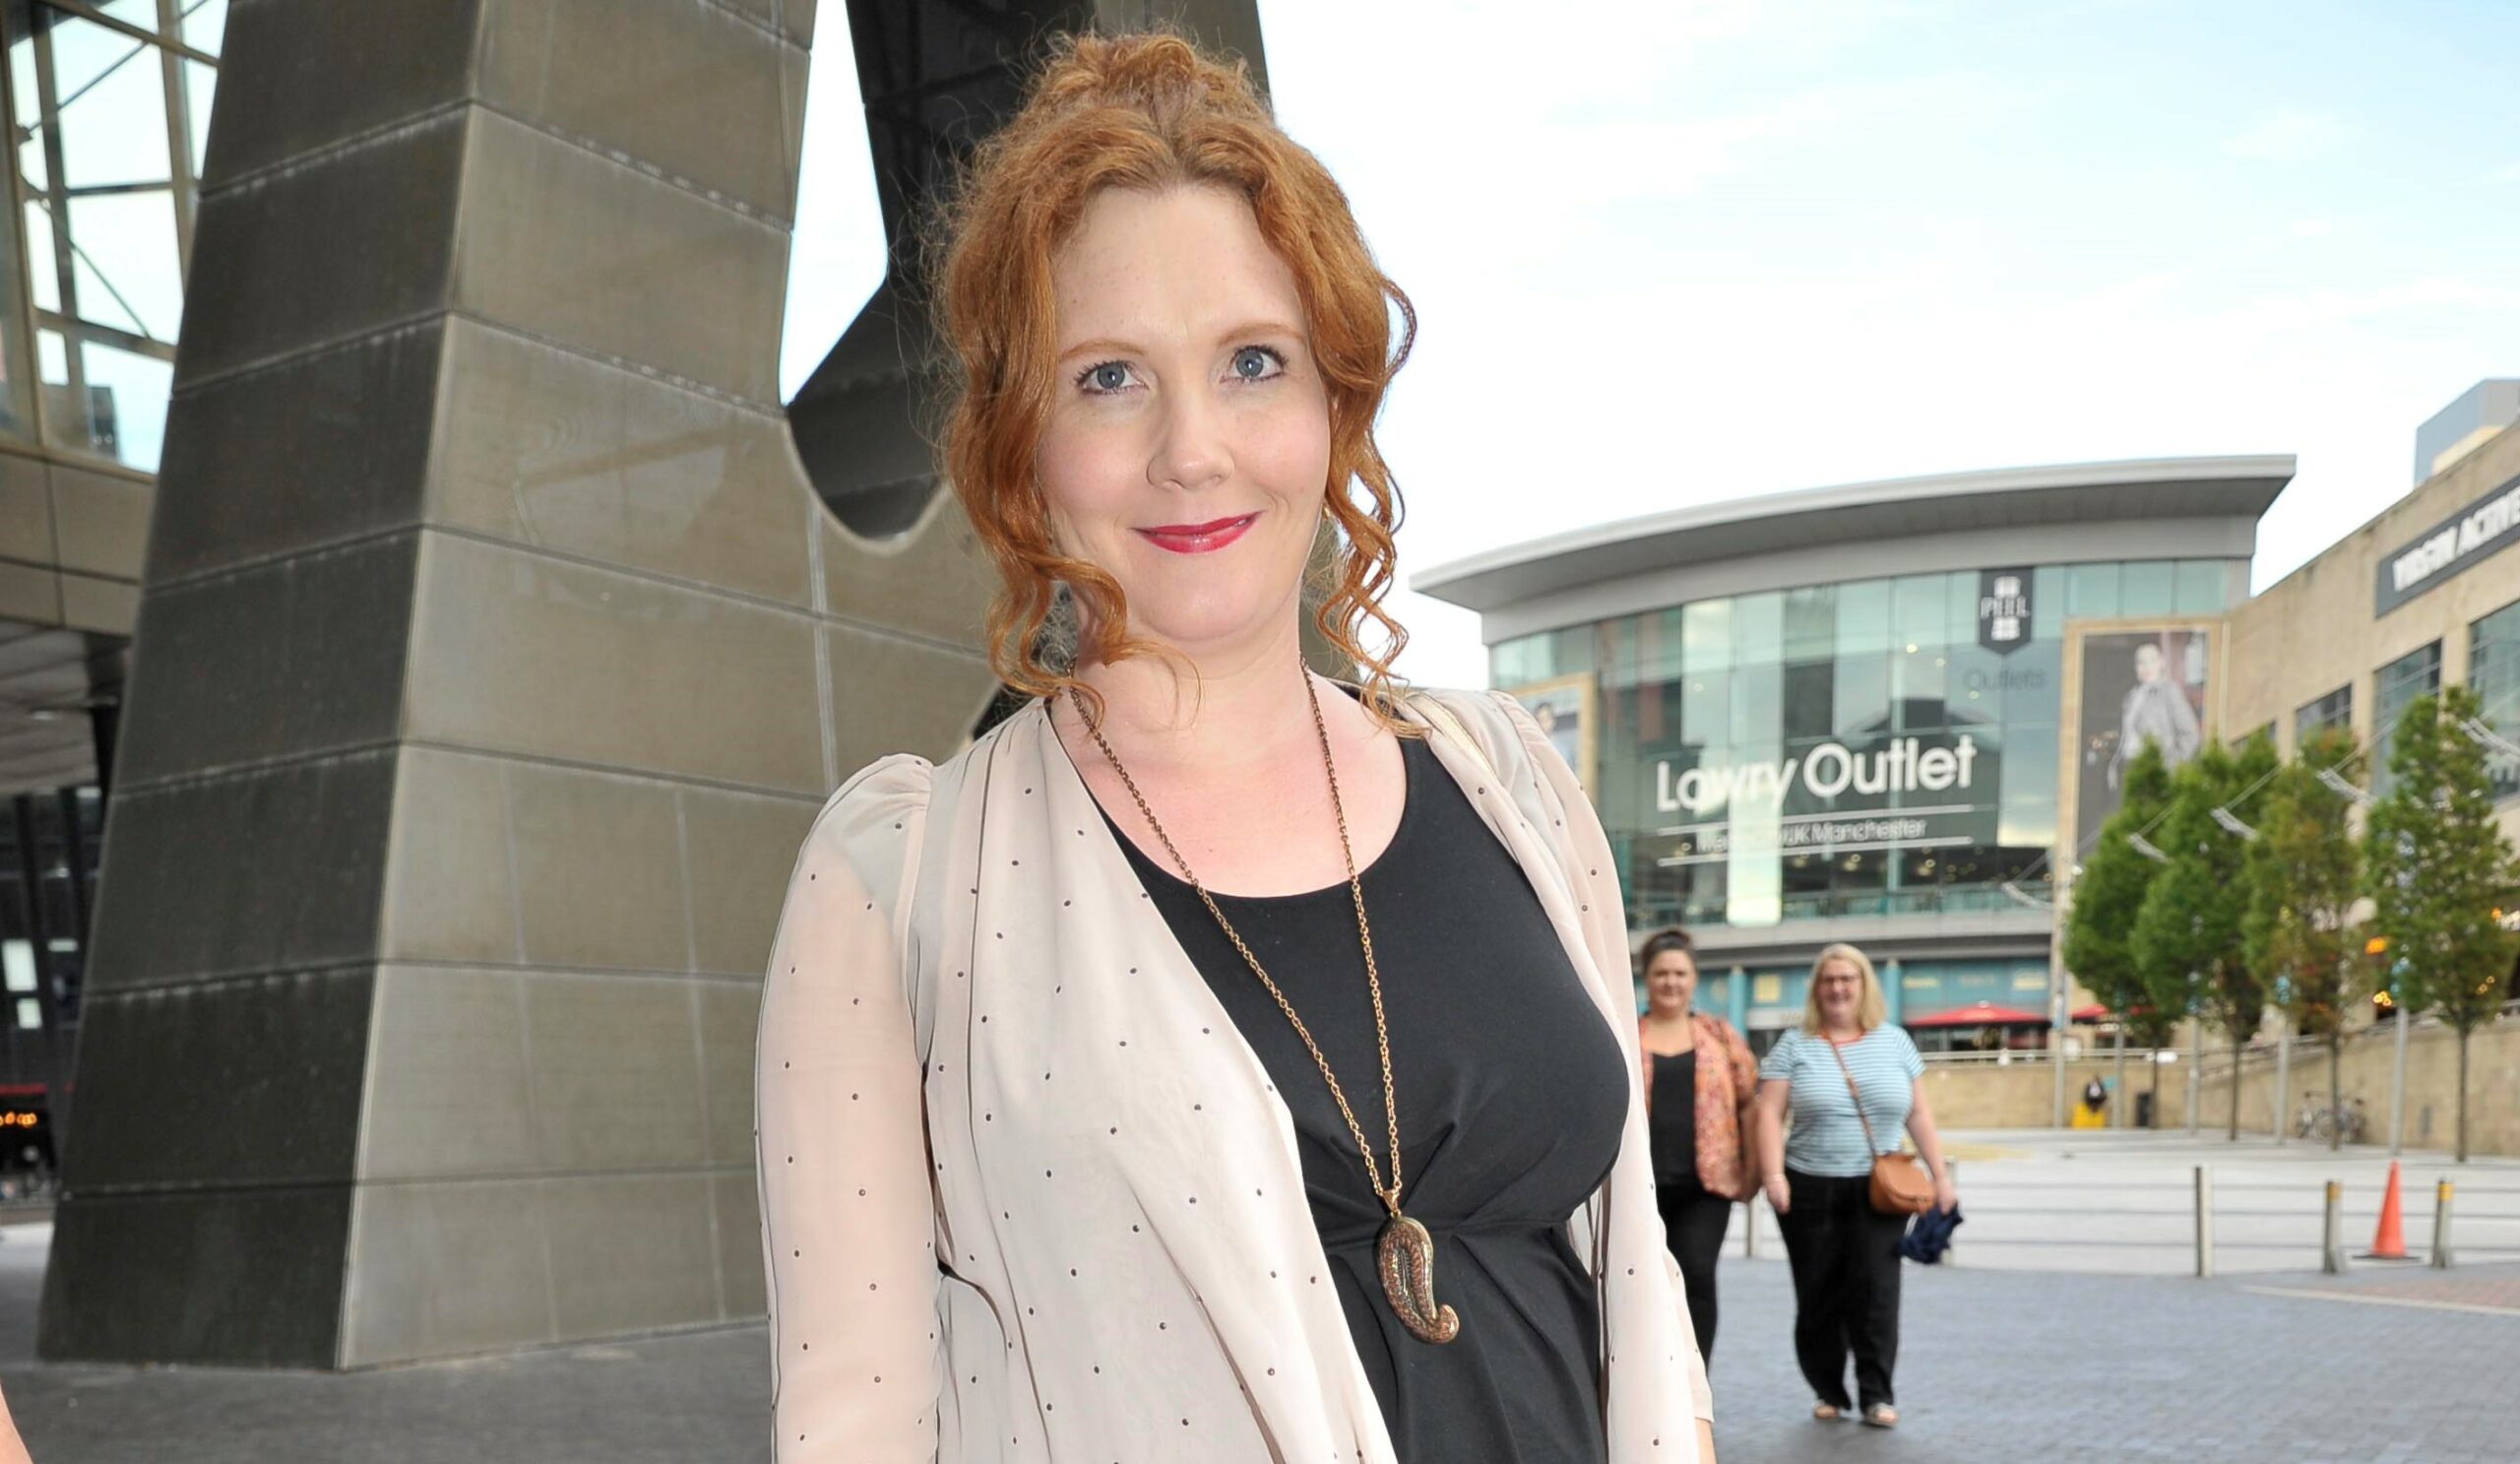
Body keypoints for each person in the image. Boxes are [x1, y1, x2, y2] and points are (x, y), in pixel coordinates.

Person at [753, 32, 1716, 1464]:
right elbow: (855, 1422)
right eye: (1108, 379)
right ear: (1018, 445)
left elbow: (1641, 1310)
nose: (1191, 448)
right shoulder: (897, 882)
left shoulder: (1510, 785)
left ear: (1333, 402)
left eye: (1252, 362)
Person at [1751, 943, 1956, 1431]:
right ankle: (1827, 1388)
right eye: (1829, 980)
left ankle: (1876, 1394)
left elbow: (1918, 1114)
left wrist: (1941, 1176)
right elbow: (1768, 1114)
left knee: (1876, 1291)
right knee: (1819, 1291)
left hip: (1881, 1187)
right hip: (1809, 1187)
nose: (1838, 988)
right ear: (1816, 989)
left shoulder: (1895, 1043)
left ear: (1863, 986)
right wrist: (1773, 1175)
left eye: (1848, 979)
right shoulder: (1794, 1045)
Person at [1635, 927, 1757, 1364]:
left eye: (1680, 973)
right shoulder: (1627, 1034)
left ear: (1694, 978)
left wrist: (1757, 1171)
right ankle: (1650, 1375)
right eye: (1661, 972)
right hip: (1639, 1186)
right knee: (1641, 1282)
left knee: (1697, 1274)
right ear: (1645, 978)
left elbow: (1750, 1102)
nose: (1671, 981)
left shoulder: (1719, 1036)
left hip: (1707, 1184)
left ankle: (1695, 1378)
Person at [2108, 639, 2201, 790]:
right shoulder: (2131, 697)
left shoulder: (2169, 691)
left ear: (2161, 663)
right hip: (2131, 771)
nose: (2146, 667)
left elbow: (2190, 734)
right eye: (2141, 662)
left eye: (2152, 661)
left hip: (2158, 773)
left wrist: (2171, 768)